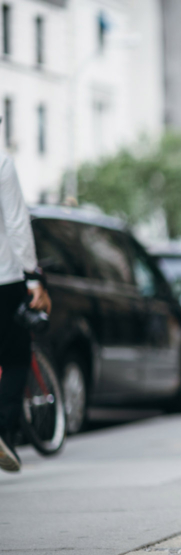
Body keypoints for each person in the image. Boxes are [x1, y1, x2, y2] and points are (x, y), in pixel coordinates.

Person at [0, 134, 52, 473]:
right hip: (4, 278)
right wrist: (34, 277)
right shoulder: (2, 162)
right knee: (17, 355)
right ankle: (3, 429)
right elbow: (18, 222)